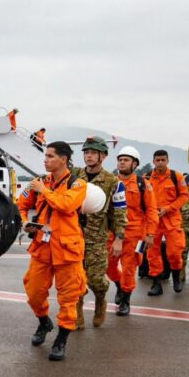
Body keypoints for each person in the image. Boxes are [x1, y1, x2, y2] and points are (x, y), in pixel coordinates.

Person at [17, 141, 87, 360]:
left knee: (68, 298)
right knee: (34, 291)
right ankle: (44, 322)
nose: (45, 160)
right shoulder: (38, 183)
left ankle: (62, 339)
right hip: (42, 246)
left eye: (50, 156)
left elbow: (66, 205)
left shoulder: (78, 184)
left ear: (63, 160)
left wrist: (44, 191)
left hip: (68, 249)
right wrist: (25, 222)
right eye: (45, 156)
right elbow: (21, 204)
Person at [72, 136, 126, 329]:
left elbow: (120, 212)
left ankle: (100, 300)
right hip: (74, 236)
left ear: (103, 156)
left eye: (93, 152)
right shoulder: (75, 176)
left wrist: (119, 239)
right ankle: (76, 313)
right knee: (75, 278)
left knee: (96, 279)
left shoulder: (114, 182)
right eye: (86, 152)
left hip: (97, 238)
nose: (89, 156)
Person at [107, 146, 158, 316]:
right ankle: (119, 286)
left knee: (130, 268)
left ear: (134, 164)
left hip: (136, 233)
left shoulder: (143, 184)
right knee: (108, 265)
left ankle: (126, 301)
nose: (122, 162)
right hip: (113, 232)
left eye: (126, 160)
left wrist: (150, 235)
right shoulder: (112, 182)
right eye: (120, 159)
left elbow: (151, 210)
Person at [147, 150, 189, 295]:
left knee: (175, 252)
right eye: (157, 160)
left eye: (163, 160)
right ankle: (156, 284)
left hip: (172, 218)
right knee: (152, 253)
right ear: (153, 161)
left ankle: (176, 278)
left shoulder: (176, 176)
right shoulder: (147, 178)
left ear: (167, 160)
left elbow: (184, 197)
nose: (160, 162)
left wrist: (169, 208)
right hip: (153, 220)